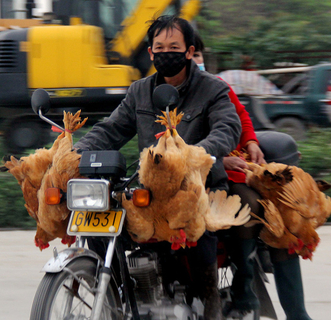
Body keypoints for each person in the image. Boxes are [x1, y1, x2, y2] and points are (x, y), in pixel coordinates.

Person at [75, 15, 242, 320]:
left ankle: (209, 301)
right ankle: (118, 294)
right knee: (97, 220)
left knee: (197, 222)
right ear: (150, 53)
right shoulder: (139, 91)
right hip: (151, 188)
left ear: (189, 51)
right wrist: (74, 154)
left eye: (174, 47)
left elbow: (228, 127)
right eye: (159, 47)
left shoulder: (212, 89)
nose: (166, 53)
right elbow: (111, 130)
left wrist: (195, 153)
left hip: (200, 184)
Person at [193, 33, 313, 320]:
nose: (194, 61)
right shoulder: (161, 92)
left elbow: (241, 117)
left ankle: (295, 313)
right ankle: (245, 293)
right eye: (190, 55)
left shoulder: (217, 87)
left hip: (236, 169)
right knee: (247, 205)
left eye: (197, 55)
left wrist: (251, 143)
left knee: (284, 219)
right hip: (199, 177)